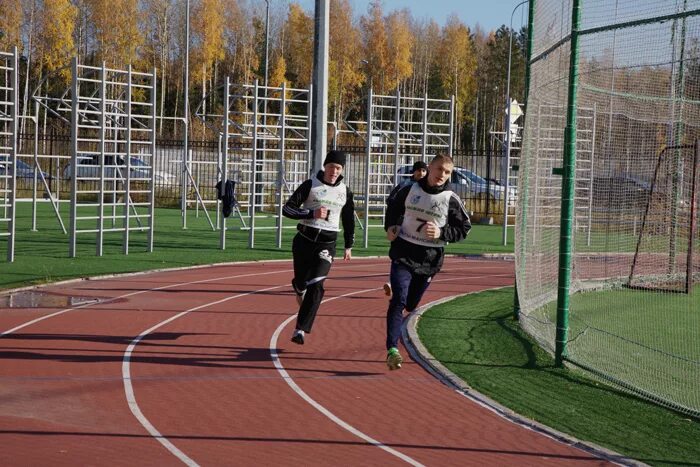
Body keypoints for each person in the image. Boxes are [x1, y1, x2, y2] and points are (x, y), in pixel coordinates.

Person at [383, 154, 471, 370]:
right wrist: (391, 227)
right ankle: (392, 350)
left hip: (429, 259)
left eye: (447, 172)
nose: (442, 175)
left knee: (411, 304)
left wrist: (441, 232)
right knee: (399, 301)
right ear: (430, 168)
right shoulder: (409, 189)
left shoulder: (451, 199)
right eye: (439, 169)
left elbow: (464, 228)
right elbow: (393, 208)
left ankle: (399, 294)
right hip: (403, 251)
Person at [282, 150, 355, 345]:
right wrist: (310, 213)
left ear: (342, 170)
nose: (334, 171)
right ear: (325, 166)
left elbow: (349, 220)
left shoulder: (345, 191)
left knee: (317, 285)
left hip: (327, 244)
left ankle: (300, 329)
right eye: (331, 167)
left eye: (338, 168)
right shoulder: (310, 185)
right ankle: (298, 288)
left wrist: (348, 245)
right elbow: (287, 208)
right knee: (301, 283)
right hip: (304, 241)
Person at [383, 159, 428, 297]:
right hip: (401, 225)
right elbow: (391, 200)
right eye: (418, 170)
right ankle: (391, 282)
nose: (421, 173)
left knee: (416, 258)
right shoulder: (405, 185)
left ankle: (406, 284)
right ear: (413, 172)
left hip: (418, 229)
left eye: (424, 170)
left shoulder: (428, 188)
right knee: (398, 256)